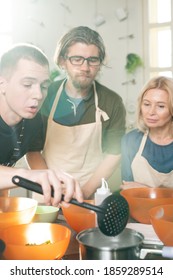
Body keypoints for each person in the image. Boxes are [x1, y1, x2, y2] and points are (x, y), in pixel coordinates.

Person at [26, 26, 126, 199]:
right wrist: (53, 186)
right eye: (77, 59)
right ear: (63, 61)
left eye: (93, 60)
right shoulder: (44, 95)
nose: (85, 67)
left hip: (90, 194)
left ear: (100, 63)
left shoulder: (112, 101)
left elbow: (114, 154)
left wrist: (84, 191)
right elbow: (32, 150)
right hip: (47, 191)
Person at [0, 43, 83, 206]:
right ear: (2, 84)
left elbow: (31, 152)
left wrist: (51, 184)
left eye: (44, 86)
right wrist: (27, 175)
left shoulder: (34, 119)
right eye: (27, 85)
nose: (38, 95)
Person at [121, 76, 173, 189]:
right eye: (147, 104)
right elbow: (128, 189)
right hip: (139, 207)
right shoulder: (130, 141)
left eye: (160, 106)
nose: (151, 112)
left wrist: (146, 190)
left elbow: (136, 189)